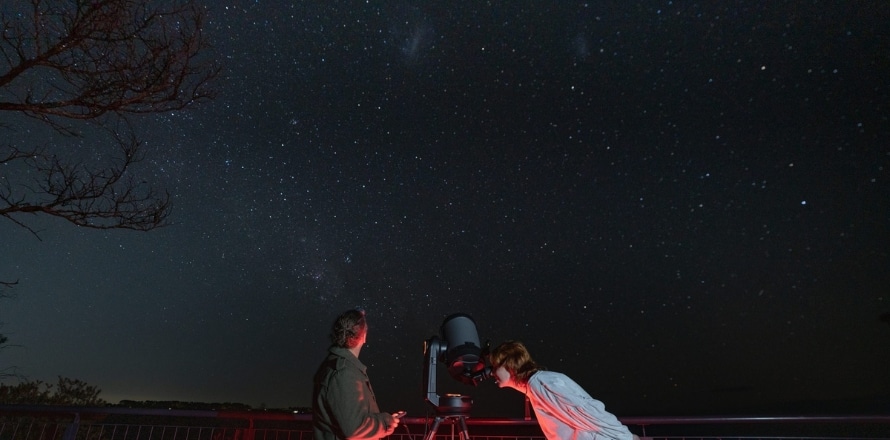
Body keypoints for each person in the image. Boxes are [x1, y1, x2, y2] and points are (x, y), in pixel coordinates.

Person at [489, 340, 640, 440]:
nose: (492, 372)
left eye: (495, 366)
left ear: (510, 363)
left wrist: (627, 437)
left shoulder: (540, 384)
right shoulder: (535, 385)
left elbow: (588, 411)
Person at [312, 309, 400, 440]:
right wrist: (386, 422)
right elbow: (355, 428)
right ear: (363, 336)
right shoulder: (344, 373)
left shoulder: (337, 365)